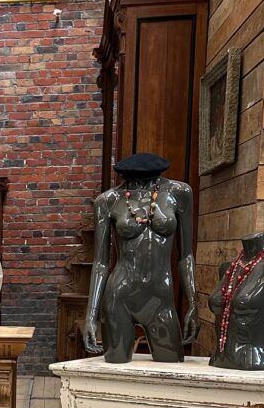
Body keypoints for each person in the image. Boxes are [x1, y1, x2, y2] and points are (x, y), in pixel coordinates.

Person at [83, 152, 199, 363]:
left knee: (170, 372)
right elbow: (100, 263)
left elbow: (186, 255)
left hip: (161, 298)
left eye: (145, 181)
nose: (139, 186)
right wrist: (91, 315)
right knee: (115, 375)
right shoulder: (108, 200)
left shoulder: (179, 192)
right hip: (120, 295)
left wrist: (194, 304)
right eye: (133, 181)